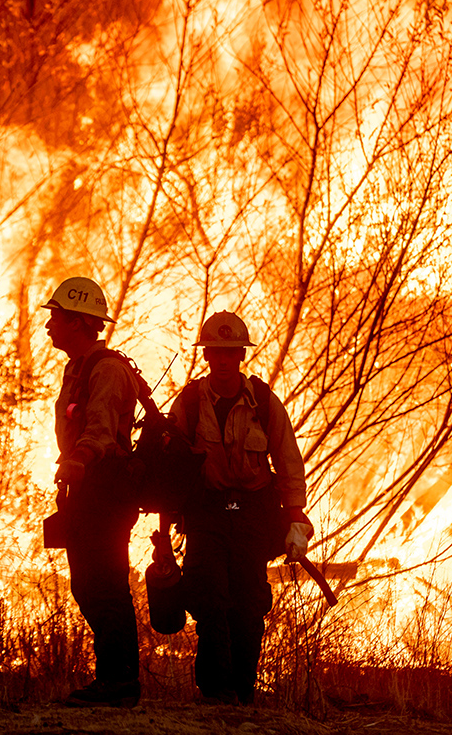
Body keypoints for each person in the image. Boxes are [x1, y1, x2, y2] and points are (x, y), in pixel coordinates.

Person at [169, 311, 314, 706]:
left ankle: (244, 691)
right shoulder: (188, 403)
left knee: (249, 605)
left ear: (240, 355)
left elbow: (288, 460)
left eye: (230, 351)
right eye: (216, 351)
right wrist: (167, 520)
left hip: (252, 515)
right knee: (209, 598)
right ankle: (217, 692)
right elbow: (170, 465)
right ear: (206, 355)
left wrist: (296, 517)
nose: (222, 359)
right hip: (208, 513)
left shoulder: (265, 402)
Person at [42, 276, 142, 708]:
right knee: (88, 584)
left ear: (79, 322)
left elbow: (101, 429)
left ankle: (119, 683)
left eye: (56, 316)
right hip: (86, 489)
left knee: (105, 584)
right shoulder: (77, 368)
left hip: (106, 489)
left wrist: (79, 458)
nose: (49, 324)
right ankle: (114, 680)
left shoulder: (107, 370)